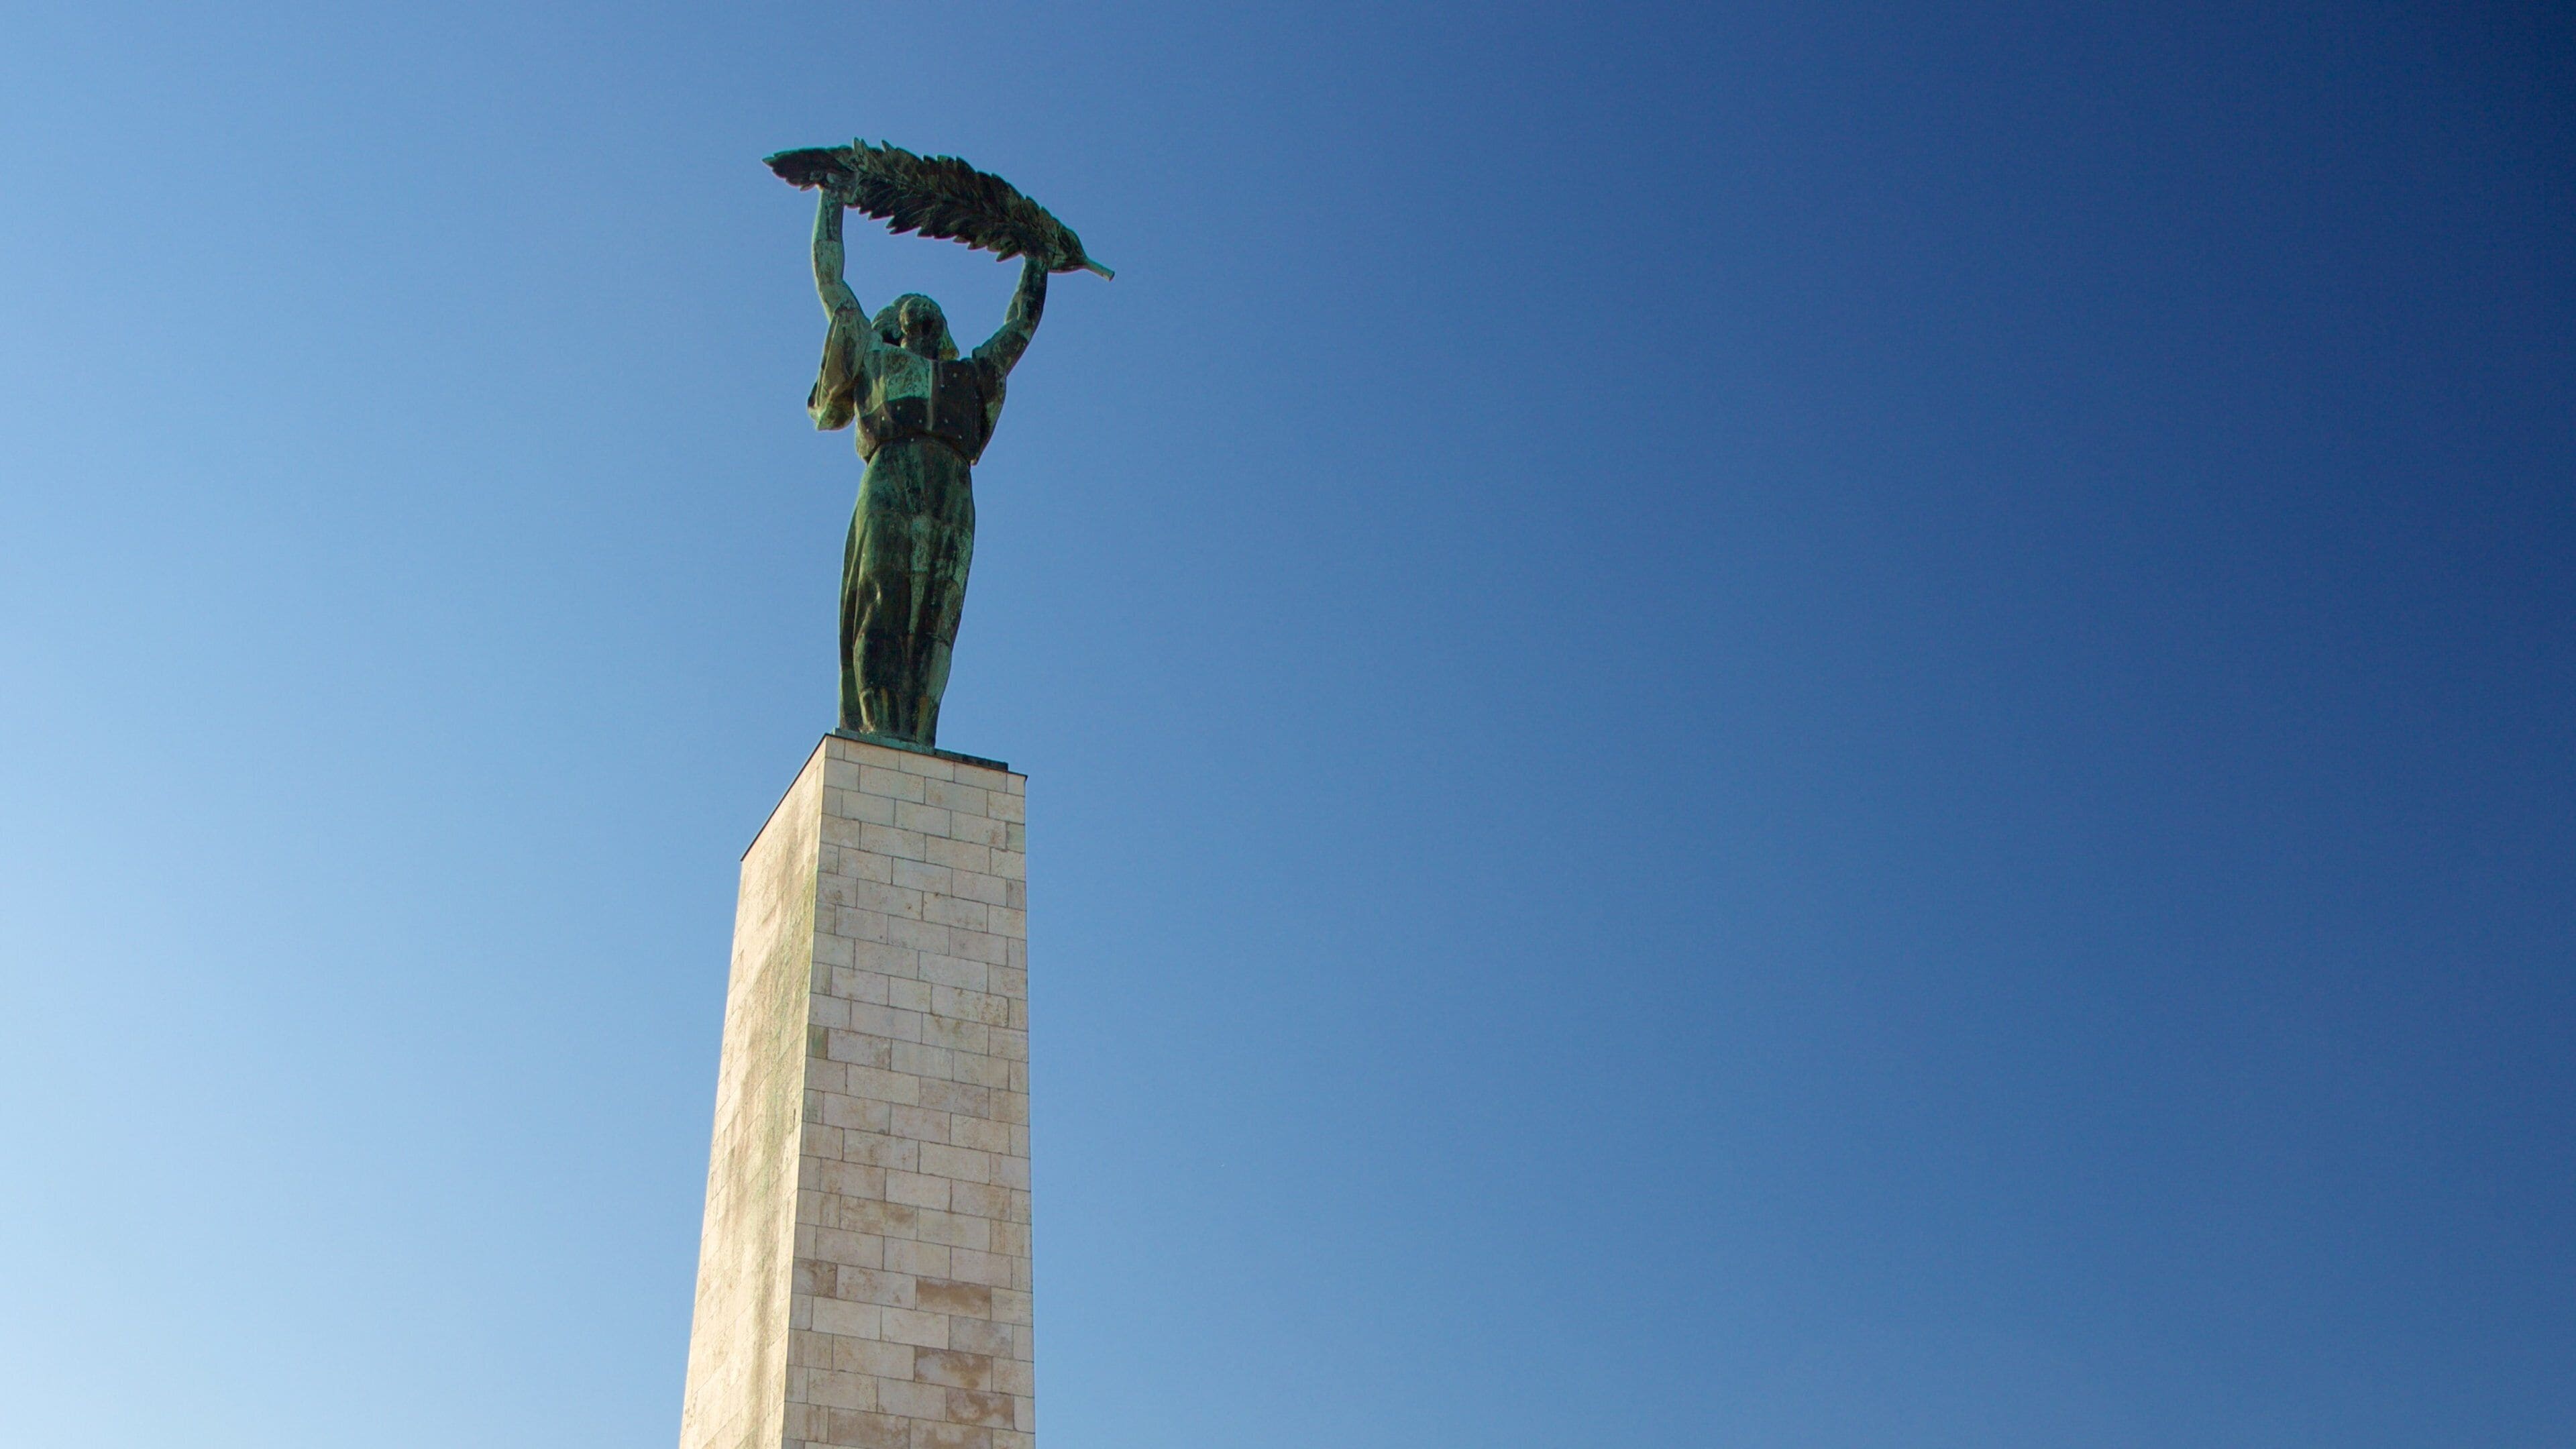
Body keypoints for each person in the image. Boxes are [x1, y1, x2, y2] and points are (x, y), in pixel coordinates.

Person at [807, 186, 1046, 745]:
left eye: (933, 313)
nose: (923, 311)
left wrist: (1037, 258)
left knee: (936, 617)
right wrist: (833, 197)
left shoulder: (969, 375)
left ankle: (917, 729)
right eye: (911, 311)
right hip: (891, 477)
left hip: (950, 491)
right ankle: (873, 720)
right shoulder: (875, 356)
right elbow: (831, 282)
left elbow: (1019, 328)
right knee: (882, 600)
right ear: (897, 326)